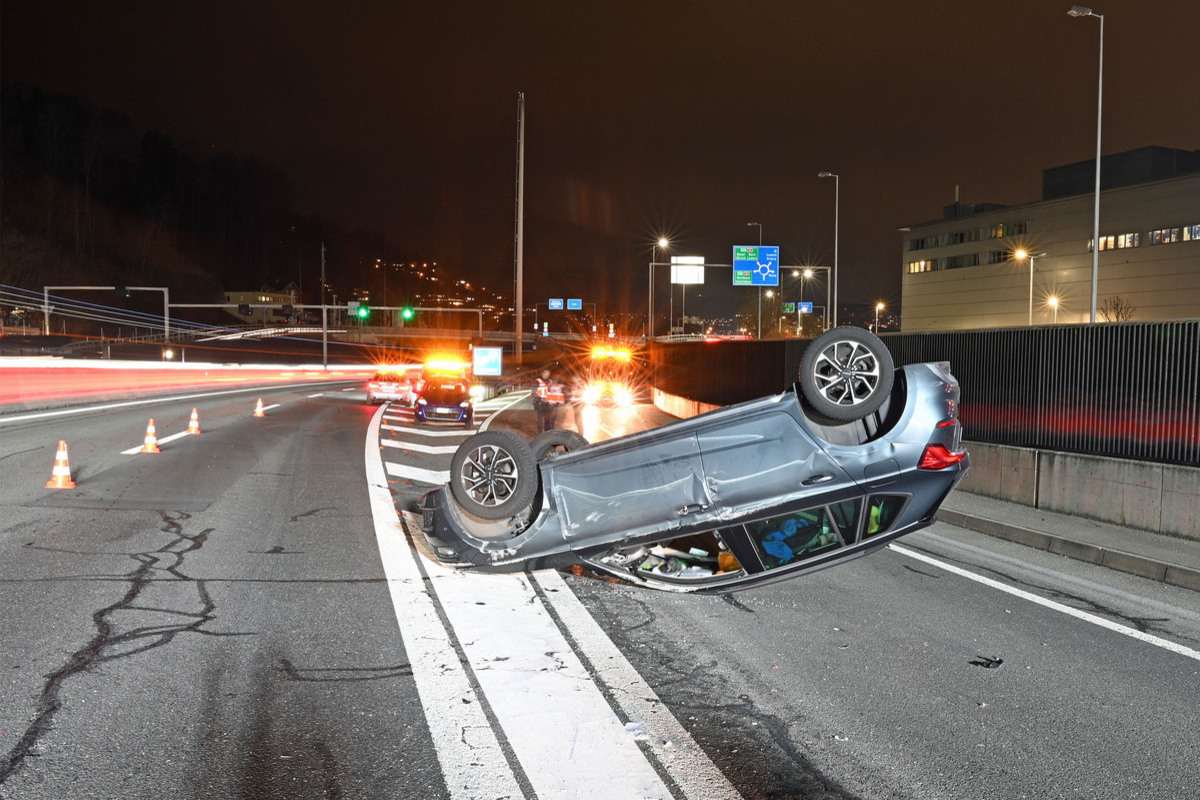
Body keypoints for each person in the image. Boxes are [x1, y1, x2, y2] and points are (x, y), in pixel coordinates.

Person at [534, 369, 554, 433]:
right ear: (543, 373)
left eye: (548, 373)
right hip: (540, 403)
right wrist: (540, 399)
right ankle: (539, 434)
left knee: (547, 419)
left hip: (548, 403)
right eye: (546, 373)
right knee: (540, 419)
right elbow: (534, 392)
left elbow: (551, 392)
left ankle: (547, 433)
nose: (548, 375)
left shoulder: (550, 381)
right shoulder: (538, 381)